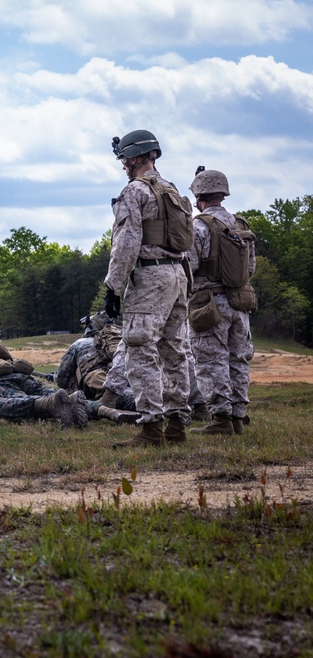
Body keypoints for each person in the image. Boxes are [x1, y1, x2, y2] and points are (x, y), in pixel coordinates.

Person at [106, 129, 193, 447]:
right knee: (174, 352)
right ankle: (176, 425)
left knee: (140, 351)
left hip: (149, 280)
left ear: (136, 157)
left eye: (124, 159)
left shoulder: (135, 192)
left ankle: (151, 428)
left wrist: (113, 287)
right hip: (178, 277)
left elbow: (126, 244)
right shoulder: (173, 191)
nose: (123, 165)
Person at [185, 168, 257, 435]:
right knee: (238, 360)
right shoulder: (241, 226)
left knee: (210, 361)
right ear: (223, 193)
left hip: (209, 304)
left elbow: (189, 266)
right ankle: (238, 418)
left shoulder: (198, 226)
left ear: (199, 195)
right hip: (240, 303)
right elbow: (249, 268)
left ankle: (221, 420)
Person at [0, 317, 88, 428]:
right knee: (51, 393)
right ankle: (97, 409)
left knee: (21, 403)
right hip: (20, 376)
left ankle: (52, 404)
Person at [54, 312, 139, 424]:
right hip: (127, 378)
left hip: (102, 382)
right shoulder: (120, 341)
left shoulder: (80, 344)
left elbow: (61, 377)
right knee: (134, 395)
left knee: (126, 398)